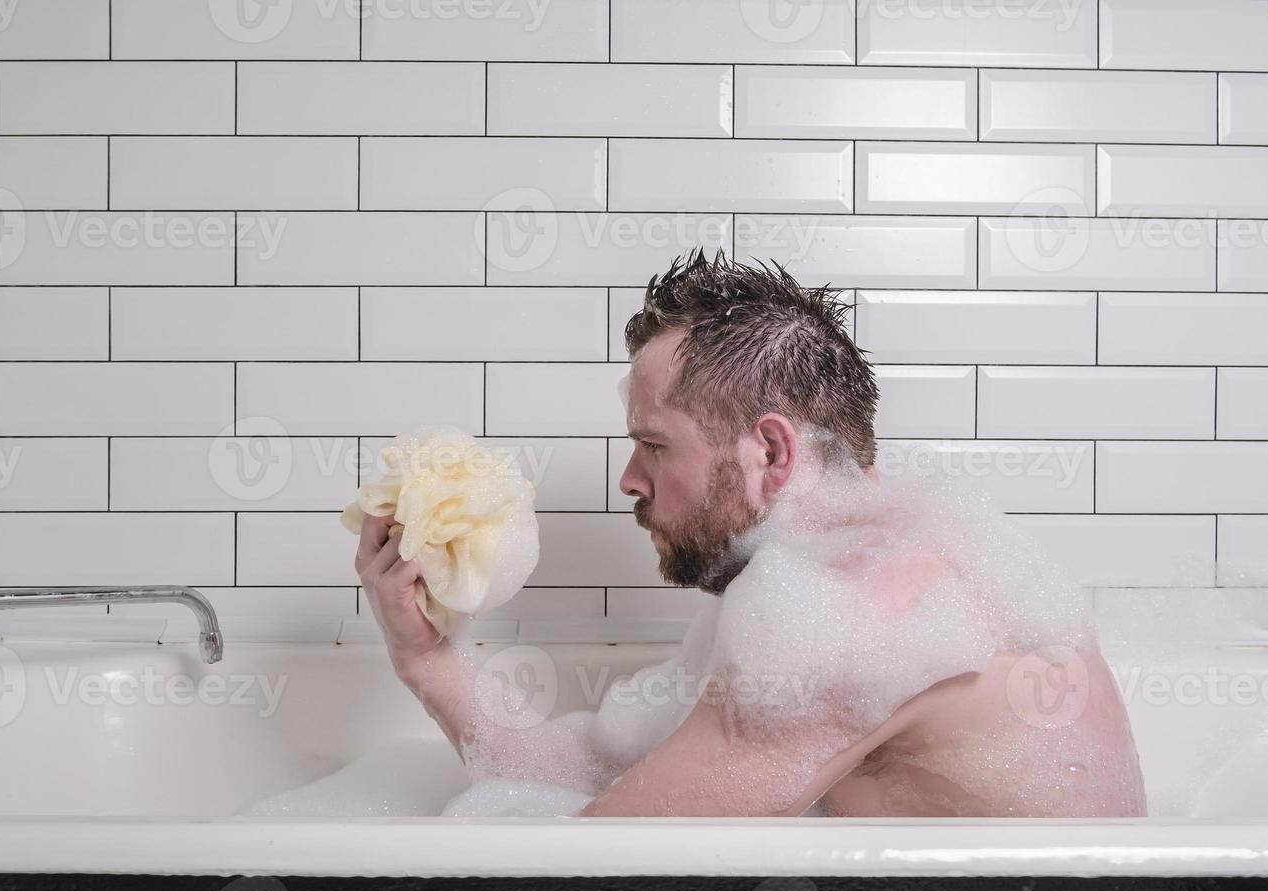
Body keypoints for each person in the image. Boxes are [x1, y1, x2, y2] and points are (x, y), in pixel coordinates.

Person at [356, 249, 1146, 818]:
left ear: (768, 452)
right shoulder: (824, 584)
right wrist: (426, 660)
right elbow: (609, 786)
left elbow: (586, 874)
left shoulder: (861, 613)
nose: (629, 480)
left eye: (654, 445)